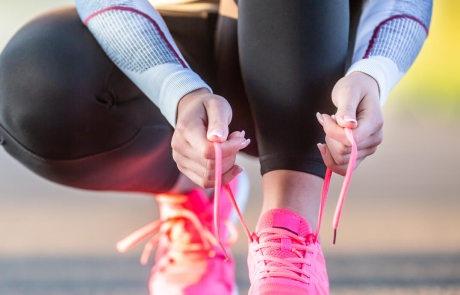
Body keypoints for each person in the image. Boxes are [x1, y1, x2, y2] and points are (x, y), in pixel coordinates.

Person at [0, 0, 432, 294]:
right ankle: (196, 197)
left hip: (316, 45)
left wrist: (376, 70)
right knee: (31, 87)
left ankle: (288, 234)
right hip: (176, 43)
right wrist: (180, 94)